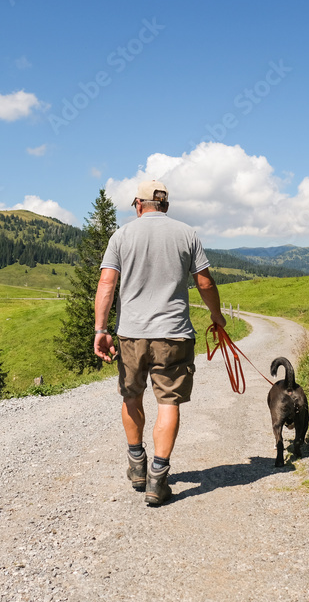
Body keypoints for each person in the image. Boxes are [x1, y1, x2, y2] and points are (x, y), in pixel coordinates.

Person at [93, 180, 226, 506]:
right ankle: (157, 478)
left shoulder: (121, 236)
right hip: (174, 333)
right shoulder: (187, 234)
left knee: (131, 395)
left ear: (139, 204)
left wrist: (100, 329)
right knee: (168, 402)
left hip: (131, 334)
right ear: (165, 204)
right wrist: (217, 316)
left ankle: (137, 466)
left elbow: (107, 283)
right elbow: (205, 282)